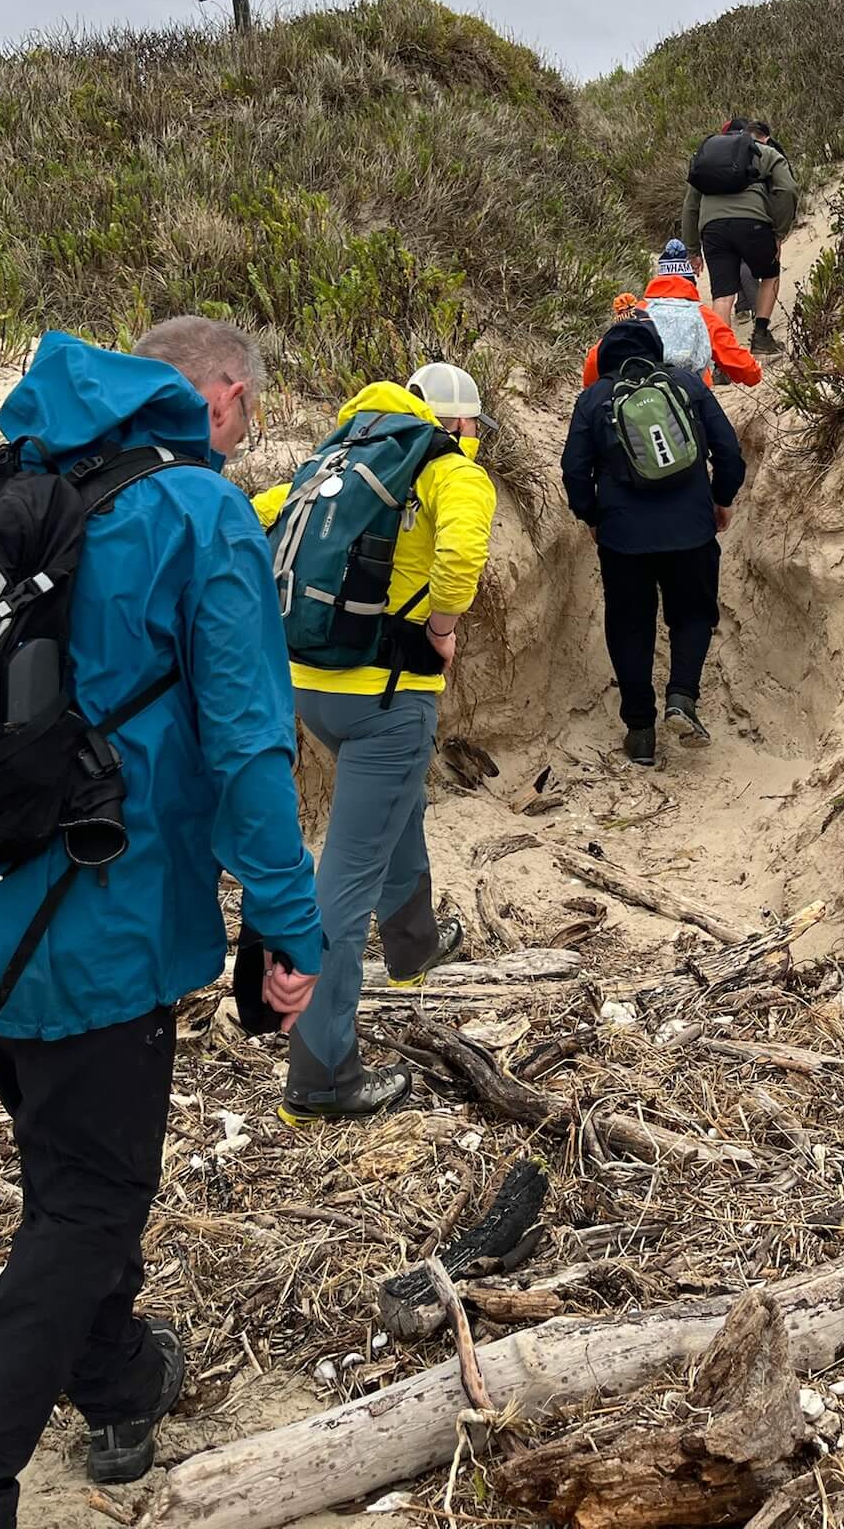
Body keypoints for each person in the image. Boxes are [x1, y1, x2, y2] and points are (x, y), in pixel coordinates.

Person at [0, 319, 324, 1529]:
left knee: (72, 1177)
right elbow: (249, 745)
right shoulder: (198, 514)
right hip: (100, 932)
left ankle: (119, 1382)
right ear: (220, 397)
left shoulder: (13, 488)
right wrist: (287, 921)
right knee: (89, 1205)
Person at [254, 362, 497, 1126]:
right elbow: (461, 556)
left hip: (311, 685)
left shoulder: (338, 456)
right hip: (388, 696)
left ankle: (414, 946)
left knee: (394, 805)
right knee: (345, 878)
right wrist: (443, 628)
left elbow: (251, 517)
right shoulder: (447, 468)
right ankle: (320, 1074)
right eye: (476, 429)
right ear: (459, 422)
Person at [561, 316, 746, 766]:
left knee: (629, 627)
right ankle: (682, 696)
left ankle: (640, 731)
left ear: (604, 356)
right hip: (691, 529)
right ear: (655, 349)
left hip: (623, 537)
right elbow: (729, 451)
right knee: (694, 614)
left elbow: (573, 470)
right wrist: (720, 500)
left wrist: (592, 517)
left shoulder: (594, 398)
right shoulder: (686, 385)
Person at [681, 117, 799, 355]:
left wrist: (693, 250)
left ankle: (723, 357)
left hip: (712, 229)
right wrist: (779, 232)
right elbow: (787, 189)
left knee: (723, 294)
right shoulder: (765, 152)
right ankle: (762, 337)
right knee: (770, 274)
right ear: (761, 137)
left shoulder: (708, 160)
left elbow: (690, 206)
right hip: (753, 224)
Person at [581, 240, 761, 390]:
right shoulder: (703, 316)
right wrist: (754, 372)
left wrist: (591, 387)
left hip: (638, 397)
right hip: (691, 397)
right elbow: (741, 364)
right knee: (720, 432)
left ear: (658, 278)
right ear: (691, 281)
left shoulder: (635, 313)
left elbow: (595, 359)